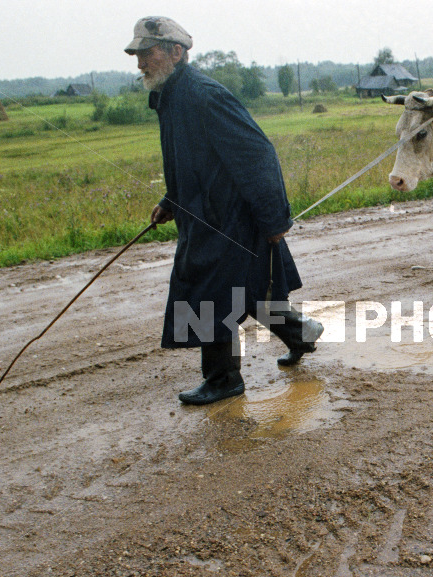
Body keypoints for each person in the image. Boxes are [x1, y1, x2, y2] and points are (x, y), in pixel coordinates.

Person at [125, 16, 323, 405]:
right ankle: (302, 333)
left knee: (209, 295)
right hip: (205, 215)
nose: (140, 63)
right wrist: (172, 200)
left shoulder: (203, 94)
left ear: (175, 52)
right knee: (246, 290)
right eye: (137, 54)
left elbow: (258, 154)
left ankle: (223, 380)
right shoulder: (170, 96)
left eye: (146, 53)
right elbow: (192, 161)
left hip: (230, 219)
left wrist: (275, 219)